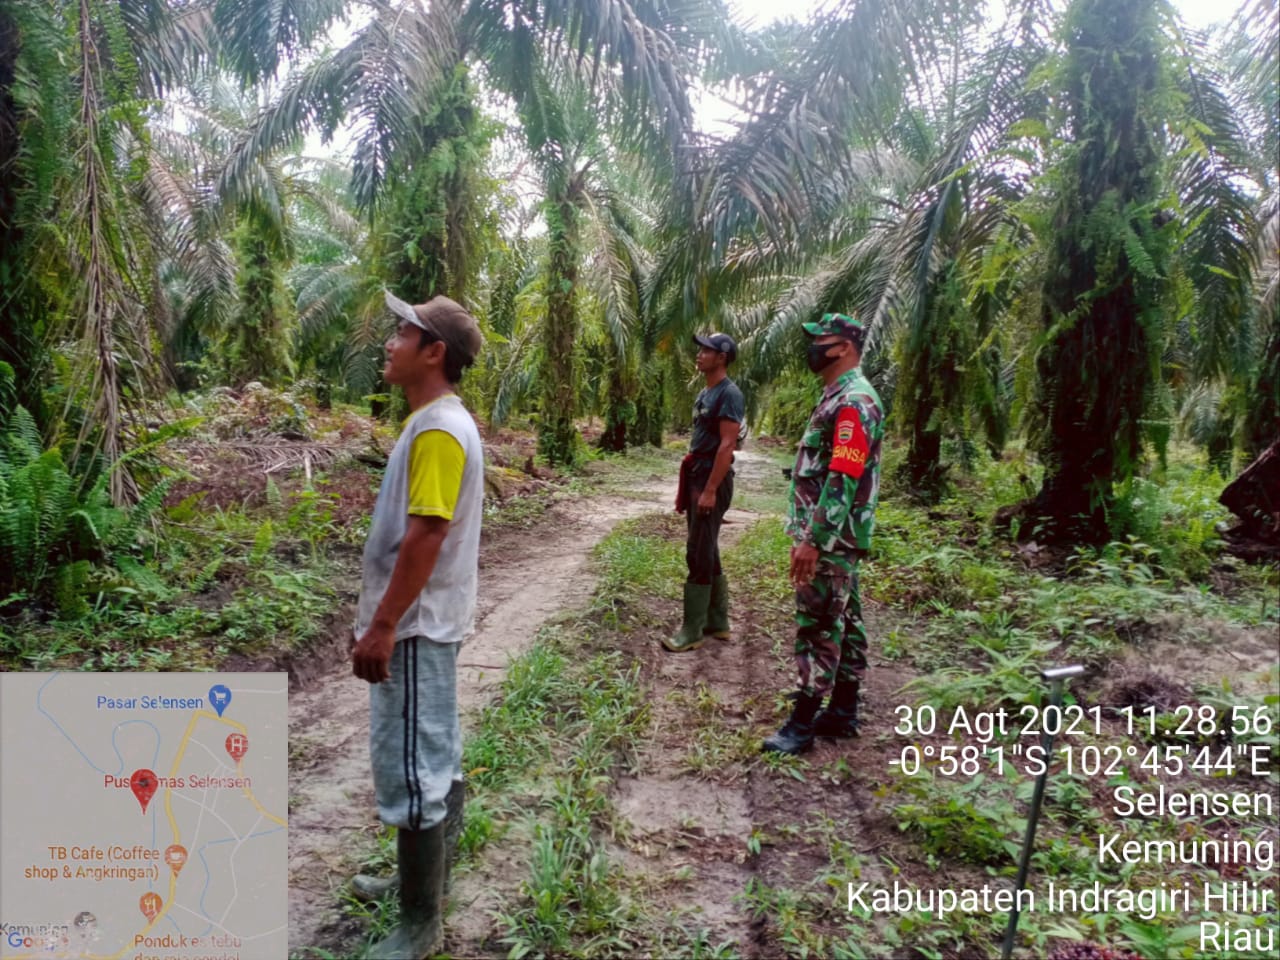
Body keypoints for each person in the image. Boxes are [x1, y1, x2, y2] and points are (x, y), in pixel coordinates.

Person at [349, 290, 484, 959]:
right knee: (436, 752)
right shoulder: (437, 422)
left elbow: (426, 533)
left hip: (415, 626)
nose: (390, 341)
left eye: (402, 333)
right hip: (427, 619)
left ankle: (420, 921)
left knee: (415, 766)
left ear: (434, 352)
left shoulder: (436, 430)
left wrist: (382, 624)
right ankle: (420, 885)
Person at [764, 312, 884, 755]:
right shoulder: (838, 397)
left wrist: (814, 541)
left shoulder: (853, 402)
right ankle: (843, 711)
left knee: (817, 626)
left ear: (845, 348)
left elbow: (842, 477)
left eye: (821, 341)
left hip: (830, 539)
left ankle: (802, 724)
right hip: (837, 538)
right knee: (847, 621)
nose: (813, 349)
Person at [666, 331, 745, 652]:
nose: (699, 354)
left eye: (706, 350)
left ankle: (692, 630)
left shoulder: (729, 394)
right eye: (699, 349)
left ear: (722, 357)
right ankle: (717, 621)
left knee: (697, 551)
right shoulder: (706, 392)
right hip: (698, 473)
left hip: (712, 478)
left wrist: (711, 490)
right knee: (706, 547)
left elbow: (727, 445)